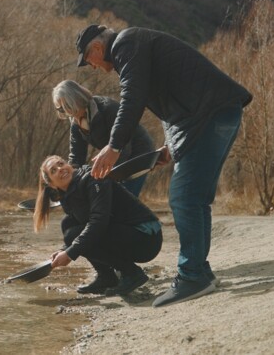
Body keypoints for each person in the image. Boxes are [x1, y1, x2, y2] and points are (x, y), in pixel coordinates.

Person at [75, 24, 252, 307]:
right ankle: (200, 271)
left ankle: (192, 276)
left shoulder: (125, 45)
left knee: (183, 197)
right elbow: (162, 101)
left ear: (96, 48)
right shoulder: (133, 47)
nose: (93, 67)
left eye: (89, 61)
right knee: (197, 199)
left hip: (209, 113)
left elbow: (133, 96)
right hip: (213, 112)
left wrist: (114, 146)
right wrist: (172, 144)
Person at [34, 155, 162, 297]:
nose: (60, 169)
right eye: (54, 170)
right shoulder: (66, 194)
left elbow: (99, 221)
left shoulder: (94, 177)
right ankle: (106, 277)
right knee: (68, 224)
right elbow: (81, 224)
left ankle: (131, 273)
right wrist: (63, 250)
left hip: (146, 237)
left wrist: (70, 253)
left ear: (69, 165)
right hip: (125, 232)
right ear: (52, 184)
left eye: (61, 163)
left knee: (74, 234)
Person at [52, 79, 163, 199]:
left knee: (124, 201)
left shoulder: (108, 108)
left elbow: (124, 147)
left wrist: (108, 177)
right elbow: (76, 156)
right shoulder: (75, 123)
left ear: (76, 98)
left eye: (66, 106)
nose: (66, 112)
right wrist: (70, 183)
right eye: (61, 109)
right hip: (117, 156)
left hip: (138, 154)